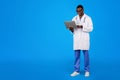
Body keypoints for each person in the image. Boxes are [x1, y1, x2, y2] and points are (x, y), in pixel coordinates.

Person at [68, 5, 93, 77]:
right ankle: (76, 71)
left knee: (86, 56)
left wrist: (82, 26)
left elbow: (91, 28)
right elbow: (73, 31)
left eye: (80, 10)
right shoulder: (74, 18)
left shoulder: (88, 18)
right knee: (76, 56)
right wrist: (71, 29)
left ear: (83, 10)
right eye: (77, 11)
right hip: (77, 39)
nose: (79, 12)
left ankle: (87, 70)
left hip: (84, 39)